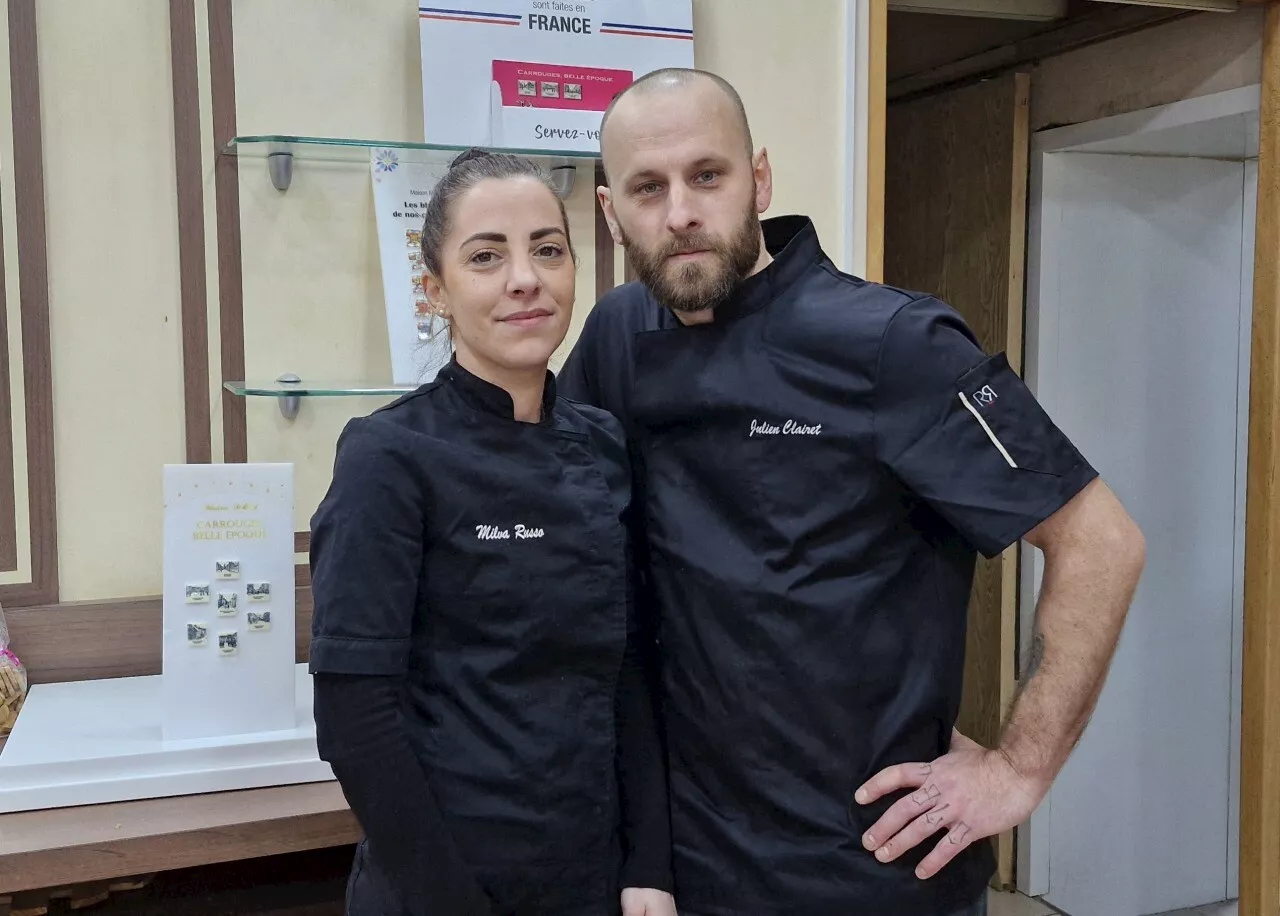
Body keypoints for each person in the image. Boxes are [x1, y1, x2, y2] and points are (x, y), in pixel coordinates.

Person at [558, 69, 1146, 916]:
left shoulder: (894, 343)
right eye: (649, 188)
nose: (680, 212)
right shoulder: (617, 338)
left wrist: (1019, 769)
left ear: (758, 180)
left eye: (708, 175)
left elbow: (1102, 543)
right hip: (693, 869)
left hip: (873, 870)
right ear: (614, 214)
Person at [308, 149, 677, 916]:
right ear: (434, 289)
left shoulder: (603, 443)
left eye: (548, 249)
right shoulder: (390, 456)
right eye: (486, 256)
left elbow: (629, 666)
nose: (524, 278)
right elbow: (355, 716)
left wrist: (649, 862)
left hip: (590, 872)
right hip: (442, 879)